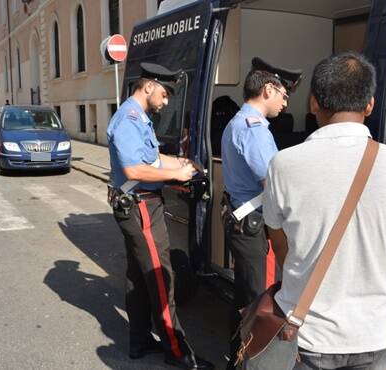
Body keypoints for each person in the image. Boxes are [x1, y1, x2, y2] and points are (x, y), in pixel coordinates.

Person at [262, 52, 386, 370]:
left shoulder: (284, 164)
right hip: (372, 335)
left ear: (313, 103)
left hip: (307, 335)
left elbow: (280, 244)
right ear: (370, 104)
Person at [106, 62, 214, 370]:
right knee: (160, 276)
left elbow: (151, 158)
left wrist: (182, 162)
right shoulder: (128, 118)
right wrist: (177, 174)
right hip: (140, 205)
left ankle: (139, 341)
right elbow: (134, 170)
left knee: (139, 277)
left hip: (138, 202)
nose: (166, 102)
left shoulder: (139, 117)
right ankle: (177, 351)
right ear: (149, 86)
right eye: (164, 94)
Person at [220, 57, 301, 369]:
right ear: (269, 89)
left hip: (243, 223)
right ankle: (253, 364)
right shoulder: (254, 129)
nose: (285, 101)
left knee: (244, 299)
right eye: (284, 94)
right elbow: (274, 185)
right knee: (261, 303)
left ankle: (236, 360)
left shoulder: (242, 122)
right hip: (253, 226)